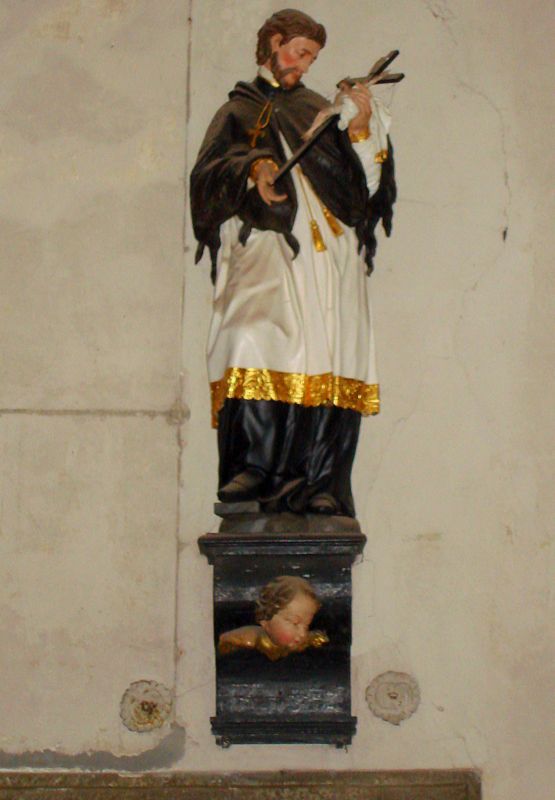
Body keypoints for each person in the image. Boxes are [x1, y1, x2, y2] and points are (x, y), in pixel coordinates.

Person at [190, 9, 396, 517]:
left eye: (311, 59)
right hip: (267, 246)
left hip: (329, 258)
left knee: (328, 354)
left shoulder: (316, 110)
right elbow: (207, 176)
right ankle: (252, 469)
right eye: (299, 53)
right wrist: (254, 167)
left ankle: (322, 482)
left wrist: (361, 128)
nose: (303, 66)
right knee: (250, 335)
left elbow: (364, 191)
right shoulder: (238, 110)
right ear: (274, 42)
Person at [218, 575, 329, 661]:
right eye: (295, 623)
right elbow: (225, 641)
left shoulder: (301, 641)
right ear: (266, 620)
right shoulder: (247, 641)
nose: (303, 633)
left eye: (306, 626)